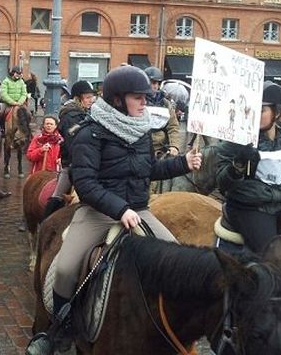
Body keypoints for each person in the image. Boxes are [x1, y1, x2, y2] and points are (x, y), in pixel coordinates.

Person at [35, 66, 201, 350]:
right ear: (117, 99)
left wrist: (183, 163)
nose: (144, 102)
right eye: (138, 97)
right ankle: (60, 329)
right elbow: (85, 183)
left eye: (145, 97)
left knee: (179, 264)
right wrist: (120, 209)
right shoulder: (89, 134)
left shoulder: (141, 130)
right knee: (64, 268)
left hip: (139, 211)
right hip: (97, 213)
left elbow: (148, 170)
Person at [217, 81, 281, 254]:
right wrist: (237, 166)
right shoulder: (237, 138)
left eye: (262, 110)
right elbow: (221, 183)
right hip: (248, 207)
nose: (254, 115)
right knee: (273, 256)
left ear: (277, 113)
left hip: (280, 204)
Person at [43, 80, 97, 218]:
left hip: (87, 162)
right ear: (78, 98)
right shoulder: (70, 116)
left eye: (92, 97)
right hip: (73, 163)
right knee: (58, 195)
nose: (91, 100)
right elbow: (73, 143)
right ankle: (44, 222)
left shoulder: (86, 113)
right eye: (88, 97)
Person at [143, 66, 181, 158]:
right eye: (152, 82)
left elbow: (173, 126)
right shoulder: (138, 101)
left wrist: (174, 146)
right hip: (141, 146)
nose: (155, 86)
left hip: (160, 149)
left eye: (157, 83)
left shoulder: (165, 103)